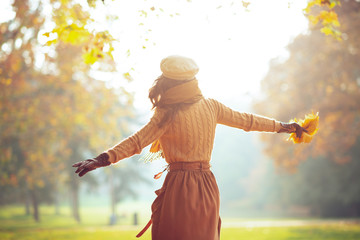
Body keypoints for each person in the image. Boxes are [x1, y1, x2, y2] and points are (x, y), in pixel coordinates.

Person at [72, 55, 306, 240]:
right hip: (207, 184)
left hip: (180, 186)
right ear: (192, 81)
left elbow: (137, 142)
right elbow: (247, 121)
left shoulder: (167, 112)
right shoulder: (209, 106)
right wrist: (284, 127)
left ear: (168, 82)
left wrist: (103, 159)